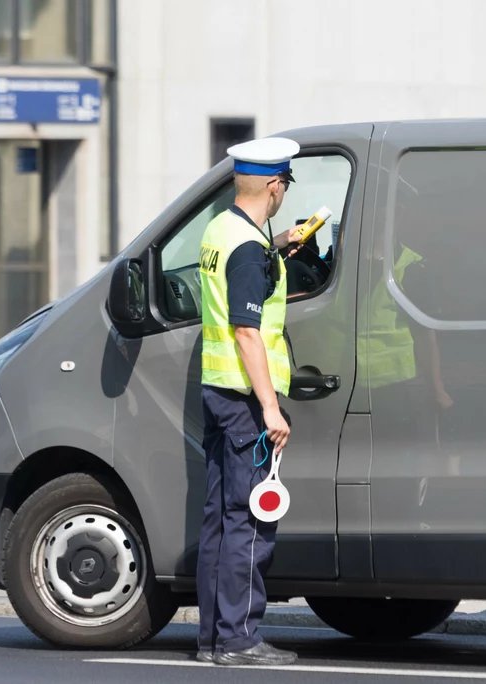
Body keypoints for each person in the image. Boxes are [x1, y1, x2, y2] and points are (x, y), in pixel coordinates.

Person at [195, 137, 303, 666]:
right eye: (284, 185)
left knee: (219, 517)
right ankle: (239, 640)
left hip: (218, 391)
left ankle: (213, 638)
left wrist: (277, 247)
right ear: (275, 185)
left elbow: (240, 271)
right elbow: (246, 331)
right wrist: (270, 408)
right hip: (243, 401)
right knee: (249, 519)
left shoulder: (222, 231)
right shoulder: (246, 249)